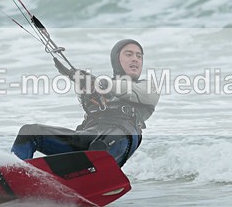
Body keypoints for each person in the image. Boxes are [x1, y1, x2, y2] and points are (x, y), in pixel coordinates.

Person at [10, 39, 159, 166]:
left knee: (99, 147)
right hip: (88, 135)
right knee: (28, 132)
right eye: (129, 54)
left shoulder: (149, 87)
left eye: (139, 56)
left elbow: (125, 89)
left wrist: (97, 82)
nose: (135, 59)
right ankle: (13, 175)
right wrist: (76, 78)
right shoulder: (101, 84)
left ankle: (90, 175)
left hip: (121, 137)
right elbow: (89, 98)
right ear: (116, 60)